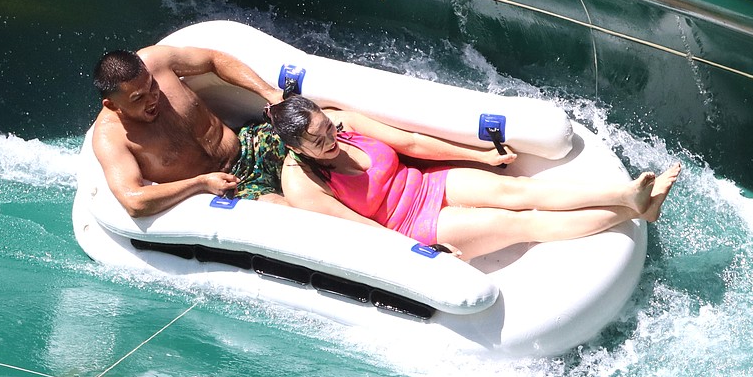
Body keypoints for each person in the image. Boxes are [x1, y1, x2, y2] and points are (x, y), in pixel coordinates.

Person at [266, 95, 681, 260]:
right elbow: (359, 232)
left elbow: (413, 143)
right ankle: (634, 212)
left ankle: (628, 196)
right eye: (319, 141)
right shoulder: (302, 183)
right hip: (408, 225)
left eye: (329, 128)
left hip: (426, 184)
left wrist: (482, 155)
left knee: (521, 189)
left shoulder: (342, 122)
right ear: (297, 147)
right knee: (521, 222)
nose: (332, 139)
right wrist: (418, 253)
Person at [91, 45, 289, 217]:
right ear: (112, 105)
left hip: (248, 145)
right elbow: (133, 201)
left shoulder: (156, 61)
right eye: (138, 98)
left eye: (152, 85)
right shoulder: (110, 137)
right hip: (225, 188)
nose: (152, 98)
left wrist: (268, 93)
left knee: (312, 131)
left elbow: (213, 59)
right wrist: (200, 184)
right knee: (282, 208)